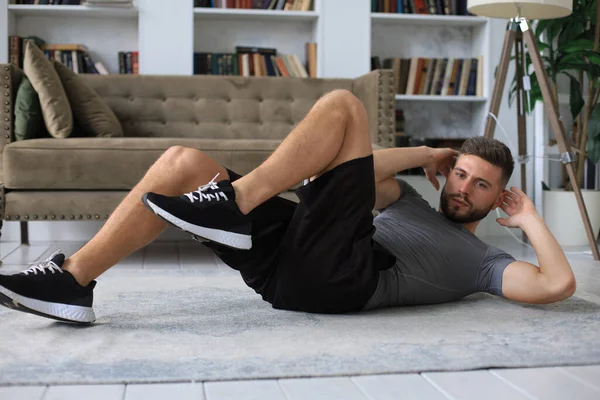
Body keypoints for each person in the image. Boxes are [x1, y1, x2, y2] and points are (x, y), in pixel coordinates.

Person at [0, 90, 576, 324]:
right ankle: (75, 282)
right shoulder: (412, 201)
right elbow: (342, 168)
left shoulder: (483, 262)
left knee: (347, 105)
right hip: (291, 265)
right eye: (461, 174)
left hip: (345, 280)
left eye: (480, 186)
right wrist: (426, 152)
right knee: (180, 162)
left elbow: (557, 285)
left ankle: (234, 205)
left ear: (495, 196)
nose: (462, 188)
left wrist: (525, 217)